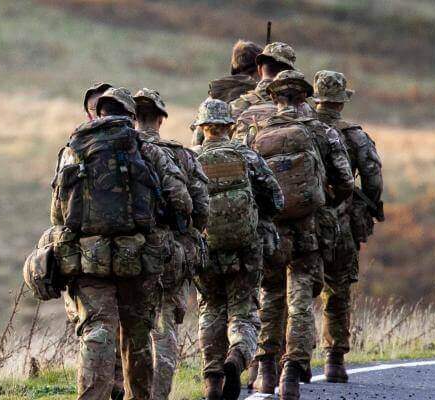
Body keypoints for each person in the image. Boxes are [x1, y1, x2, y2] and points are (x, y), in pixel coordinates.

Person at [51, 83, 195, 400]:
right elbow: (182, 201)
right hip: (138, 260)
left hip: (88, 260)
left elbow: (58, 213)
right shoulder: (148, 150)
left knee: (97, 331)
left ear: (98, 113)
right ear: (130, 117)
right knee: (137, 335)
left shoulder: (73, 150)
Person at [235, 70, 356, 400]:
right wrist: (324, 199)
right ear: (305, 97)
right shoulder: (323, 131)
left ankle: (266, 370)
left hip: (272, 234)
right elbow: (345, 180)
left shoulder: (257, 133)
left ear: (274, 98)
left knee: (271, 298)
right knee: (300, 302)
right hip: (308, 232)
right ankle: (292, 371)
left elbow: (247, 183)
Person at [189, 98, 285, 400]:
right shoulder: (247, 156)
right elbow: (276, 199)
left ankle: (212, 379)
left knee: (210, 310)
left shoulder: (191, 159)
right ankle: (238, 356)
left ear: (203, 128)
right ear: (230, 127)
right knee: (243, 311)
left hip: (206, 249)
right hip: (246, 248)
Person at [132, 88, 210, 400]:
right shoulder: (181, 155)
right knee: (164, 329)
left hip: (127, 253)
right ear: (161, 118)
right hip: (170, 255)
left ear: (132, 117)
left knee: (130, 328)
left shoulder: (120, 151)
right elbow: (201, 208)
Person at [309, 70, 384, 383]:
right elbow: (373, 178)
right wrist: (368, 204)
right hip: (342, 222)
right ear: (341, 102)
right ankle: (334, 360)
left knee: (295, 287)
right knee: (338, 290)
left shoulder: (302, 130)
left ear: (316, 99)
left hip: (305, 221)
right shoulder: (355, 135)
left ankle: (289, 357)